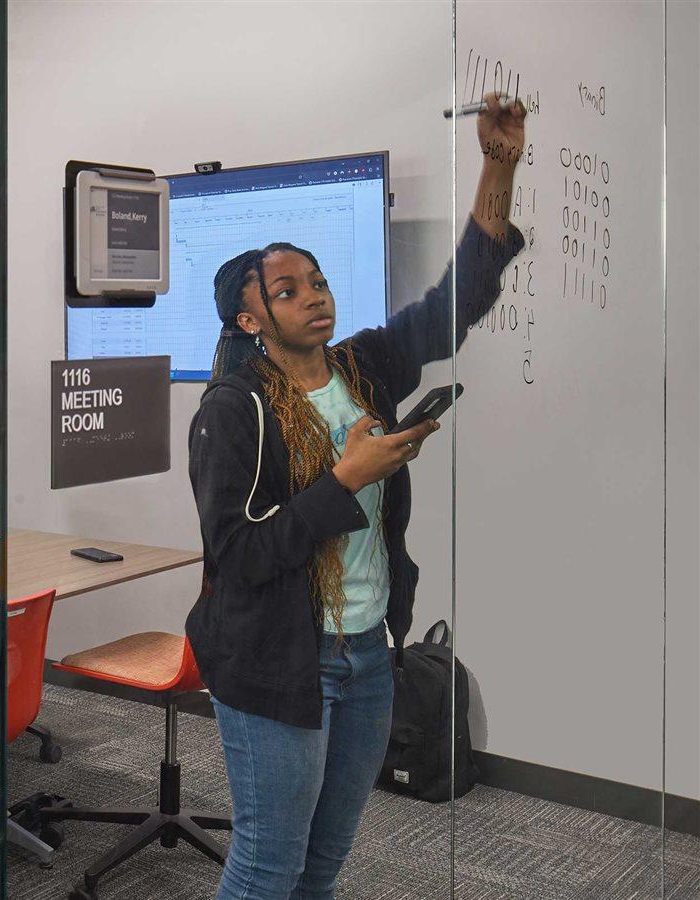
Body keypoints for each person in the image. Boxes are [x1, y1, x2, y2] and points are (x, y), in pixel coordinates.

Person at [186, 93, 527, 900]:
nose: (315, 295)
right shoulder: (233, 411)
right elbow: (236, 556)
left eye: (320, 281)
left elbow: (455, 305)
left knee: (323, 864)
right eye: (289, 288)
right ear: (248, 317)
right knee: (268, 866)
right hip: (276, 657)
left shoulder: (364, 366)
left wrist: (498, 166)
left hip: (368, 651)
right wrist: (344, 482)